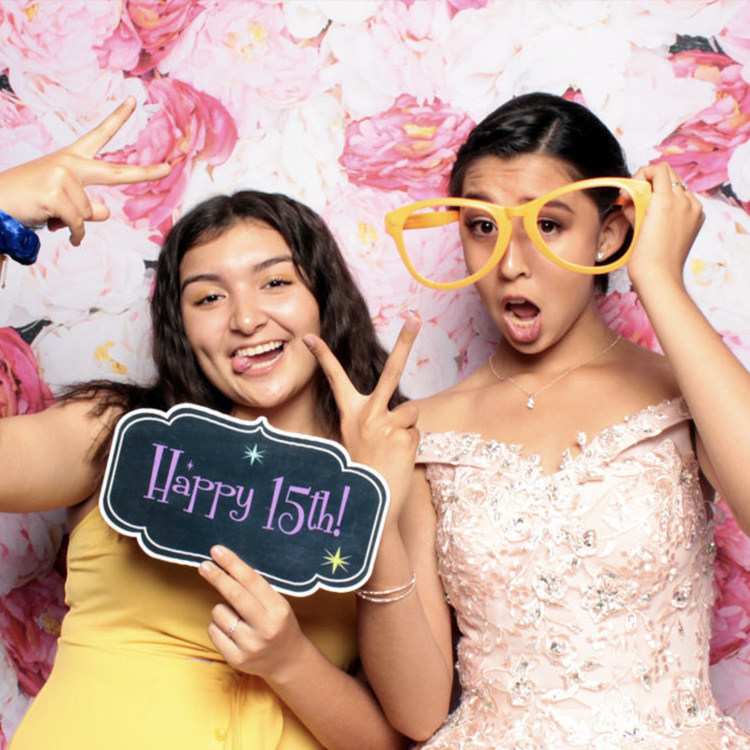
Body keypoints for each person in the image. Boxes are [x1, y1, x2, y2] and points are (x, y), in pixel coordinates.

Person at [308, 91, 750, 748]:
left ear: (608, 232)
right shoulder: (422, 431)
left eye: (549, 224)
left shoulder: (686, 393)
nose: (509, 262)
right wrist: (374, 511)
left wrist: (658, 279)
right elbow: (419, 711)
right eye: (482, 225)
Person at [0, 98, 413, 750]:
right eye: (209, 297)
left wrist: (290, 661)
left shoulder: (385, 465)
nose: (245, 318)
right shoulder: (119, 433)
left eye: (275, 283)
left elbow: (401, 733)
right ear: (181, 327)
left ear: (323, 300)